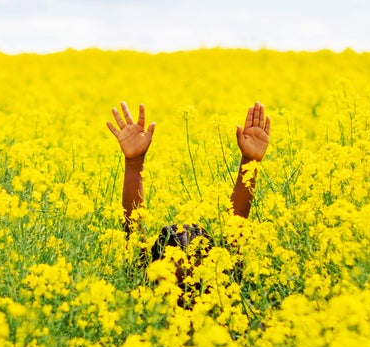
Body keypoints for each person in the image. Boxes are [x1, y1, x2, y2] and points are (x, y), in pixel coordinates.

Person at [107, 101, 271, 280]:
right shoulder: (144, 288)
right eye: (175, 279)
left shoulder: (221, 289)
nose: (186, 287)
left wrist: (250, 162)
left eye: (195, 279)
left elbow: (236, 227)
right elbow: (133, 235)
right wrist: (133, 163)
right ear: (149, 272)